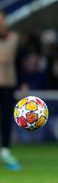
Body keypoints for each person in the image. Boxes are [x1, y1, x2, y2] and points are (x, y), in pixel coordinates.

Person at [0, 10, 20, 170]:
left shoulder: (13, 37)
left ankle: (5, 149)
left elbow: (6, 56)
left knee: (6, 117)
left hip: (8, 83)